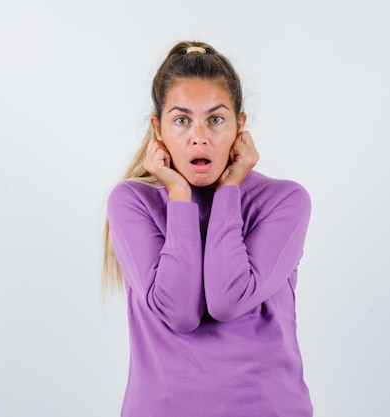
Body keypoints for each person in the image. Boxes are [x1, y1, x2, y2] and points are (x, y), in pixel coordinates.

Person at [102, 41, 313, 417]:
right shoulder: (132, 201)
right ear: (158, 129)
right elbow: (180, 310)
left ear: (239, 126)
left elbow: (228, 299)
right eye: (182, 120)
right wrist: (179, 196)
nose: (199, 136)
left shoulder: (285, 201)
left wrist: (230, 188)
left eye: (215, 119)